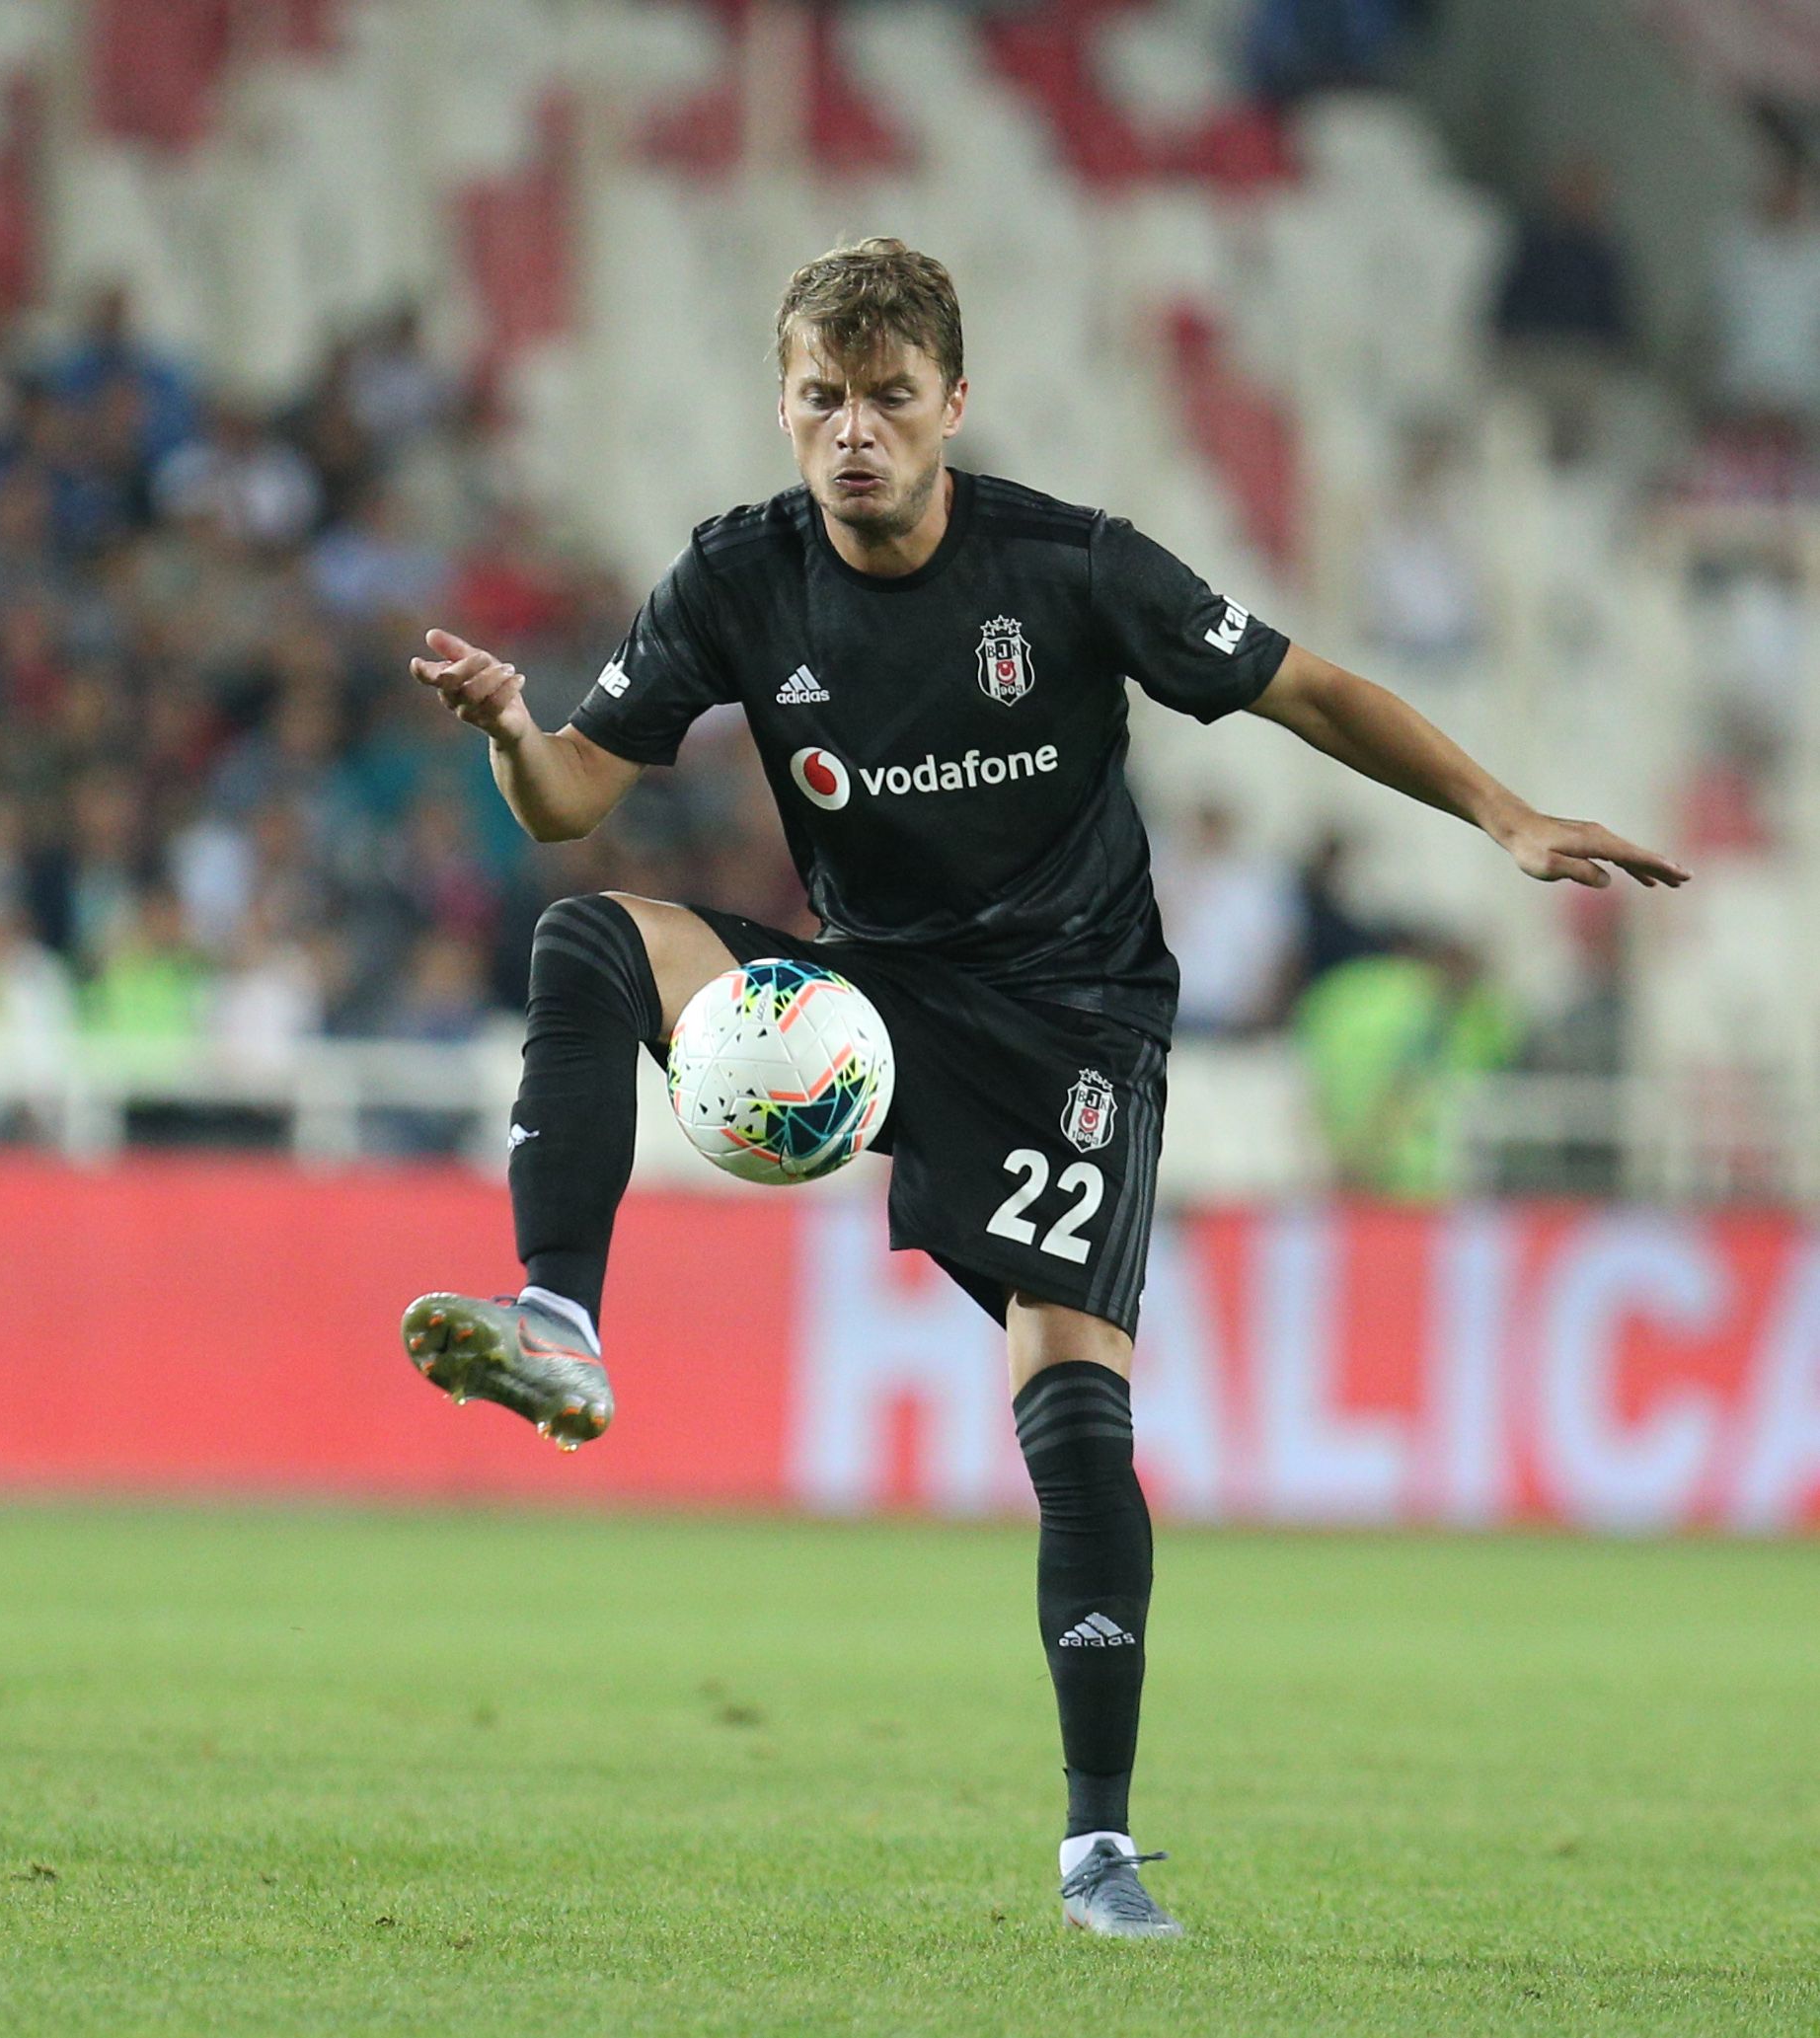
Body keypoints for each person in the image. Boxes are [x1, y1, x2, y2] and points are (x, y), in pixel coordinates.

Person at [396, 238, 1686, 1939]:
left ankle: (1095, 1849)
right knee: (583, 943)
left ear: (948, 403)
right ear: (781, 407)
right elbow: (567, 801)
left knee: (1073, 1415)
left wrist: (1505, 816)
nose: (849, 431)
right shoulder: (736, 580)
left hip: (1073, 1025)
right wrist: (505, 725)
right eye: (818, 399)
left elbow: (1302, 689)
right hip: (869, 994)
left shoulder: (1069, 569)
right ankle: (557, 1317)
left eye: (882, 397)